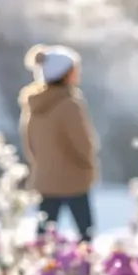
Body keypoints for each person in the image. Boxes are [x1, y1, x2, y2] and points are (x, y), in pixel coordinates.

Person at [19, 44, 99, 242]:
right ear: (66, 73)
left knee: (43, 236)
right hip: (74, 180)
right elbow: (83, 144)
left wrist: (43, 166)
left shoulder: (34, 106)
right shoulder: (70, 105)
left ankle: (39, 269)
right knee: (85, 234)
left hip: (45, 179)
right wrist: (89, 166)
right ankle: (83, 269)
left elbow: (30, 144)